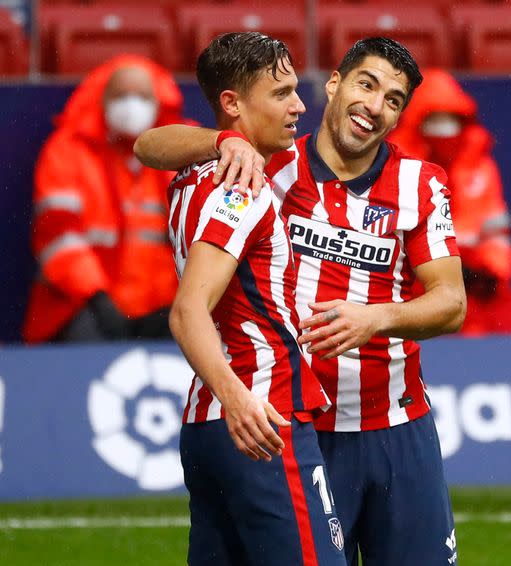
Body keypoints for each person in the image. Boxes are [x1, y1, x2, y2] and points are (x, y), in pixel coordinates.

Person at [135, 38, 466, 566]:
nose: (375, 106)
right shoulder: (270, 164)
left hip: (395, 427)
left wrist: (378, 317)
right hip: (298, 425)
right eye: (366, 84)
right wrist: (223, 141)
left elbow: (452, 302)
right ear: (334, 83)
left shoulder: (420, 185)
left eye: (394, 100)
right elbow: (149, 145)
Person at [166, 32, 345, 566]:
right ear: (232, 103)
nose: (298, 106)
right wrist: (239, 399)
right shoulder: (238, 189)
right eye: (281, 93)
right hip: (262, 418)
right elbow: (187, 309)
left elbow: (146, 145)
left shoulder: (191, 175)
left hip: (208, 426)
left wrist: (220, 140)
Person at [23, 55, 185, 343]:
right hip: (85, 304)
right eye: (121, 95)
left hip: (166, 308)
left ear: (158, 103)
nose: (132, 105)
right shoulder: (67, 152)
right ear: (103, 99)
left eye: (142, 96)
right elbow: (57, 239)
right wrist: (98, 299)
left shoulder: (180, 152)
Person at [388, 69, 511, 336]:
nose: (444, 130)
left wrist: (489, 272)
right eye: (434, 121)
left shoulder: (480, 165)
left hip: (475, 283)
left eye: (450, 120)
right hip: (414, 282)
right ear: (418, 122)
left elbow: (496, 231)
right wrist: (439, 266)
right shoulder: (395, 164)